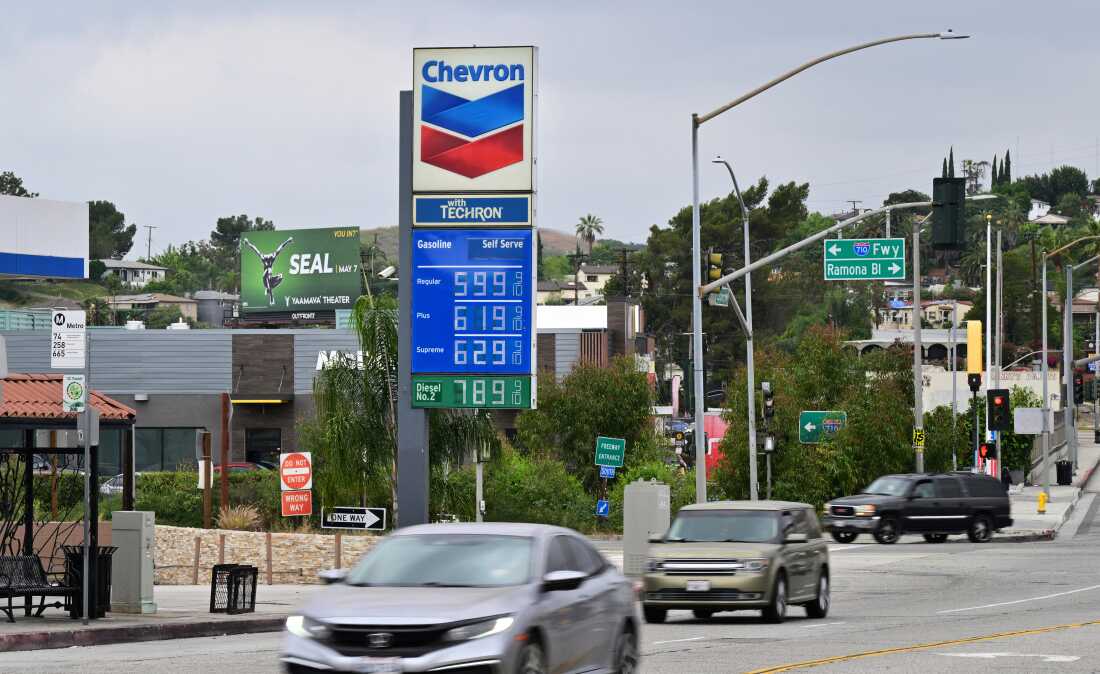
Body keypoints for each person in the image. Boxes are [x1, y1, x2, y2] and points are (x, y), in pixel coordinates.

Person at [242, 236, 294, 306]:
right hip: (265, 279)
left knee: (281, 276)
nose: (269, 261)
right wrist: (248, 243)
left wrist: (288, 241)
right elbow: (255, 249)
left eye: (270, 259)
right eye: (268, 259)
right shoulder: (263, 257)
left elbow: (280, 247)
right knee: (269, 270)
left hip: (270, 280)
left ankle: (269, 289)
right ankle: (271, 296)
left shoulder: (272, 256)